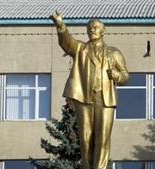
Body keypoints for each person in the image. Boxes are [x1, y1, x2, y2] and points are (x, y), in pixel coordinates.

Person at [51, 11, 129, 169]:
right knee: (86, 140)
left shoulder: (114, 53)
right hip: (85, 99)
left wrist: (117, 76)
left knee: (102, 139)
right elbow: (67, 43)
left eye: (96, 27)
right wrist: (61, 25)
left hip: (105, 100)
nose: (92, 29)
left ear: (103, 30)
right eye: (90, 27)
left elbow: (126, 75)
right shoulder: (80, 49)